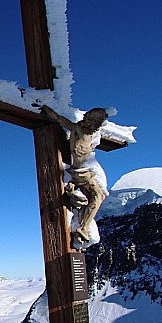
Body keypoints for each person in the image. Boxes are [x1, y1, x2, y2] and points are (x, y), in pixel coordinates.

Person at [40, 105, 109, 247]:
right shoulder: (78, 128)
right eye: (94, 122)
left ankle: (83, 226)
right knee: (98, 196)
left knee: (97, 197)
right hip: (80, 170)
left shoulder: (91, 134)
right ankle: (83, 228)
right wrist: (47, 107)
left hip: (88, 169)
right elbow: (60, 120)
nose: (94, 126)